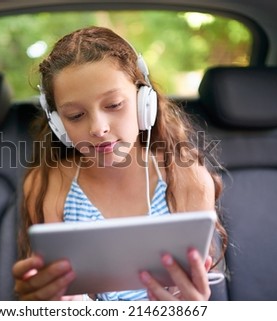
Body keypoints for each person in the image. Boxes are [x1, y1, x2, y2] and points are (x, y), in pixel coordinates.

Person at [13, 26, 227, 301]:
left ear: (143, 103)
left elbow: (192, 293)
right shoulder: (49, 184)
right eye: (76, 115)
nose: (98, 128)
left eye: (114, 105)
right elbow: (51, 293)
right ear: (58, 125)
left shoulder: (186, 179)